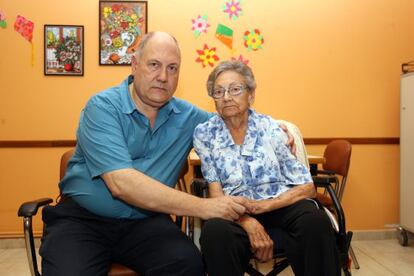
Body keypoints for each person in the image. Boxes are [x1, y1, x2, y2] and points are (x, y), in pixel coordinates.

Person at [39, 32, 252, 276]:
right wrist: (206, 207)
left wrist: (280, 129)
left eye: (172, 68)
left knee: (188, 264)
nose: (163, 77)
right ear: (134, 65)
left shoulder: (189, 117)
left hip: (146, 222)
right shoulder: (102, 107)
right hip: (83, 220)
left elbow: (234, 121)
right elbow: (121, 184)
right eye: (154, 65)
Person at [193, 60, 340, 276]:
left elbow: (307, 187)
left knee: (314, 222)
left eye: (235, 89)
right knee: (215, 232)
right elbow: (216, 196)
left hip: (280, 204)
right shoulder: (205, 134)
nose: (226, 97)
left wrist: (264, 207)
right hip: (235, 211)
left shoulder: (271, 128)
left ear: (251, 95)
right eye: (218, 91)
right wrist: (247, 221)